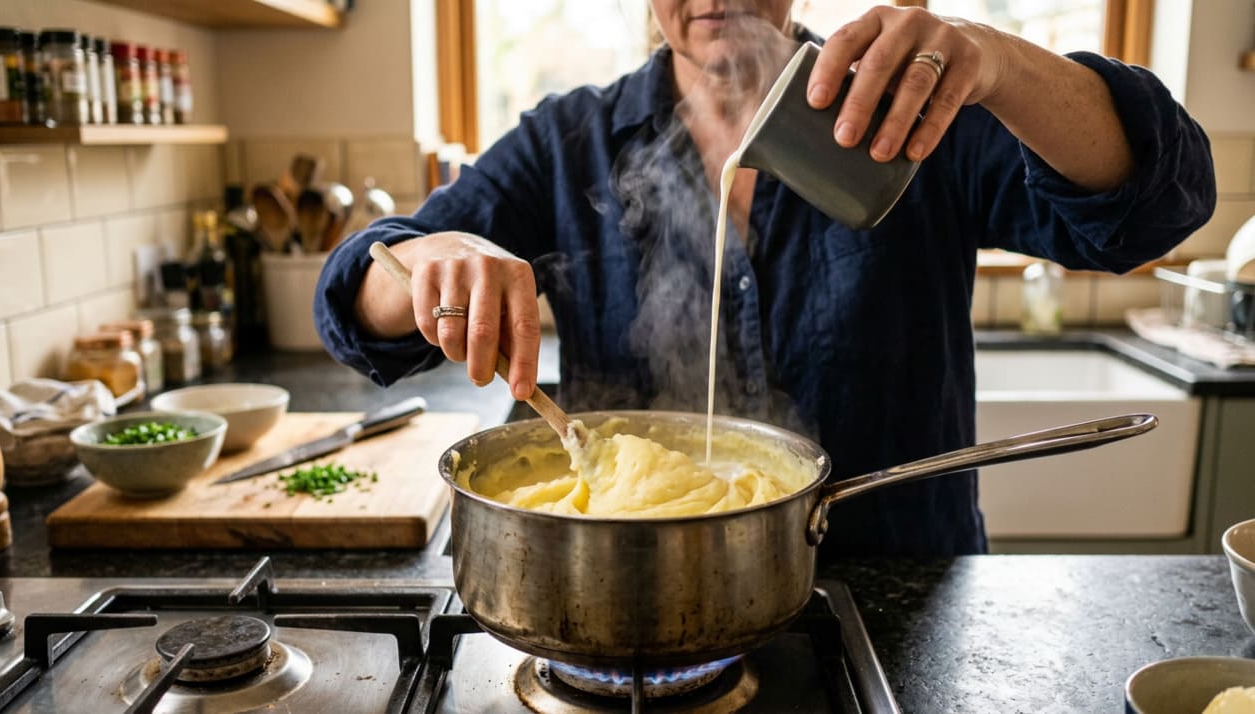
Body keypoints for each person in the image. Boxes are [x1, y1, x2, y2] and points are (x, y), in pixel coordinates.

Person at [315, 2, 1216, 558]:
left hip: (901, 594)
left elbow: (1154, 209)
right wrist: (426, 259)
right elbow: (355, 300)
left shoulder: (910, 110)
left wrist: (1001, 63)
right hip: (633, 602)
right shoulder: (566, 142)